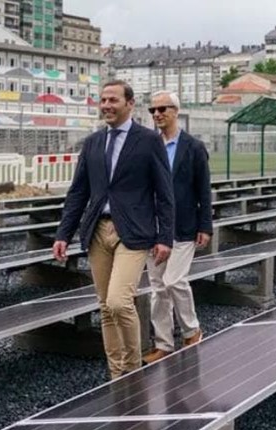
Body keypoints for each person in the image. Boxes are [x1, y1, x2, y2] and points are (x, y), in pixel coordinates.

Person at [52, 80, 174, 379]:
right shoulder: (93, 142)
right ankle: (116, 372)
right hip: (97, 232)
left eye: (113, 100)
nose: (106, 105)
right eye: (103, 100)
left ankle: (132, 369)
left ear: (129, 104)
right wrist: (63, 234)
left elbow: (164, 192)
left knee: (119, 302)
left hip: (132, 233)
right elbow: (78, 192)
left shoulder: (148, 141)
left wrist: (165, 237)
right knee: (105, 307)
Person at [143, 90, 212, 364]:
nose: (158, 114)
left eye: (163, 109)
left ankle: (192, 331)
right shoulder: (150, 146)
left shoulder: (193, 147)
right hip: (155, 228)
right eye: (153, 110)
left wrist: (205, 224)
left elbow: (203, 190)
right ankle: (163, 344)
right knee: (158, 289)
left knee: (174, 280)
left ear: (176, 111)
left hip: (183, 226)